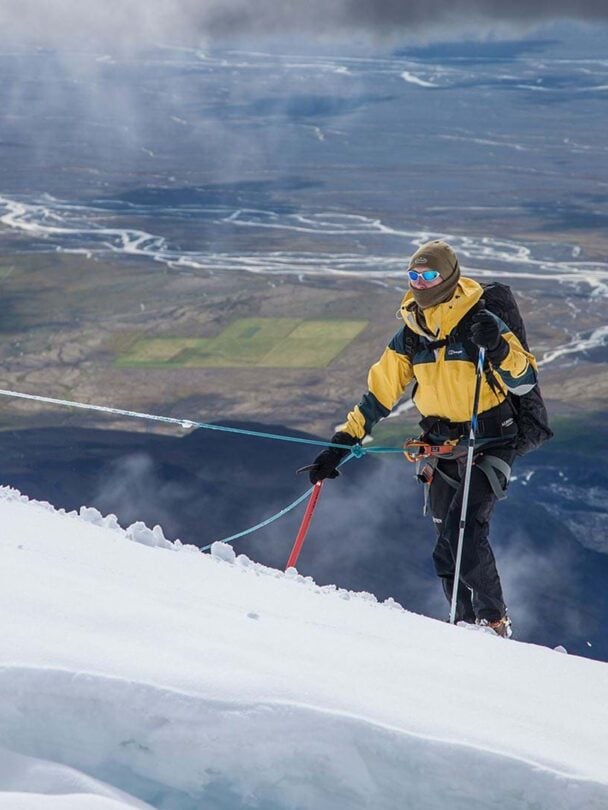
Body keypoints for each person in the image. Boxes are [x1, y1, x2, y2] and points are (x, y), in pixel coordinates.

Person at [308, 240, 539, 638]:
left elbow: (524, 381)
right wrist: (341, 444)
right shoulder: (411, 335)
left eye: (429, 275)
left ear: (448, 276)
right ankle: (462, 625)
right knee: (446, 546)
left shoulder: (480, 322)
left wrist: (499, 347)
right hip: (440, 446)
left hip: (489, 442)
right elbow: (378, 396)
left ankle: (493, 622)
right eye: (413, 276)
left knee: (464, 535)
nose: (420, 283)